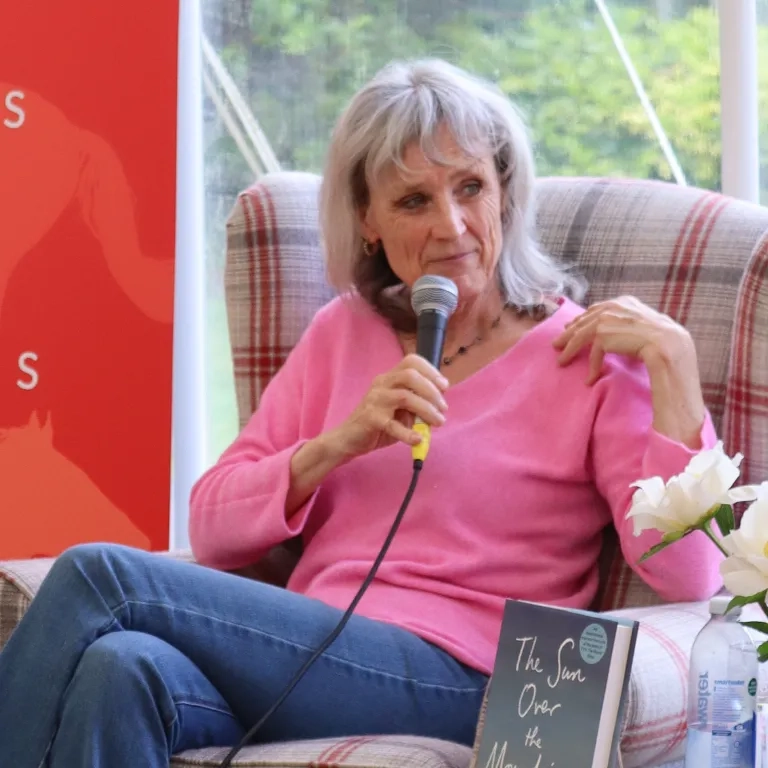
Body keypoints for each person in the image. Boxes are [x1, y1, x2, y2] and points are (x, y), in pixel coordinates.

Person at [0, 58, 722, 767]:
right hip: (310, 660)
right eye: (413, 201)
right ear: (367, 220)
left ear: (504, 191)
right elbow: (215, 529)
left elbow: (690, 577)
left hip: (464, 676)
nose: (452, 224)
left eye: (470, 186)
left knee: (101, 578)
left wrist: (676, 375)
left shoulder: (586, 356)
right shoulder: (341, 333)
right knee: (120, 670)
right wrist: (337, 445)